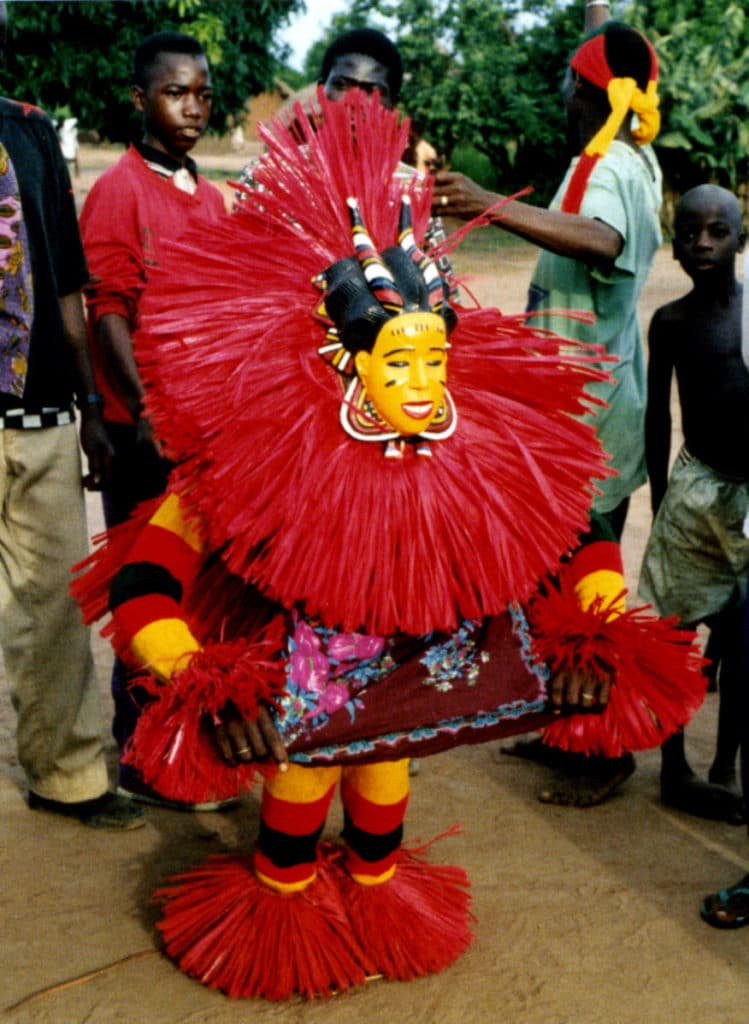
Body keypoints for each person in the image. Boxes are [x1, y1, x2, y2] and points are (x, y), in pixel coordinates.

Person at [72, 82, 704, 1000]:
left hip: (411, 693)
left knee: (381, 793)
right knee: (299, 792)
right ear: (348, 360)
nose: (419, 383)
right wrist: (197, 678)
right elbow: (144, 576)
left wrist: (596, 630)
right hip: (308, 689)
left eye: (433, 359)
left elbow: (574, 538)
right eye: (396, 361)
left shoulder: (482, 442)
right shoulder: (266, 454)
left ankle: (373, 894)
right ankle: (282, 908)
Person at [432, 2, 663, 807]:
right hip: (580, 410)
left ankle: (606, 747)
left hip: (587, 419)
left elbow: (601, 244)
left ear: (597, 93)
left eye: (571, 80)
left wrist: (488, 203)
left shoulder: (610, 169)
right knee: (560, 586)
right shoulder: (616, 157)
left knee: (588, 587)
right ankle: (571, 729)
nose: (561, 91)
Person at [0, 1, 142, 829]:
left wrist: (89, 403)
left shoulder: (30, 131)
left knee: (53, 603)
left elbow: (66, 286)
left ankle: (71, 777)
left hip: (44, 412)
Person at [79, 31, 226, 809]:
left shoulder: (208, 193)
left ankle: (178, 741)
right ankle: (142, 756)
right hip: (145, 431)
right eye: (176, 92)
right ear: (140, 101)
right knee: (143, 585)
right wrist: (141, 412)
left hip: (203, 431)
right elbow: (106, 310)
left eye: (202, 92)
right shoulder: (119, 191)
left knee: (190, 591)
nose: (193, 106)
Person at [639, 184, 748, 823]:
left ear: (740, 237)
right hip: (695, 490)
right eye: (688, 233)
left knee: (738, 637)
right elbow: (659, 418)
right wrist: (661, 504)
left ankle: (724, 766)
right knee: (672, 631)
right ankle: (674, 767)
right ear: (673, 243)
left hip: (746, 502)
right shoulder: (672, 322)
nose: (702, 243)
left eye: (717, 231)